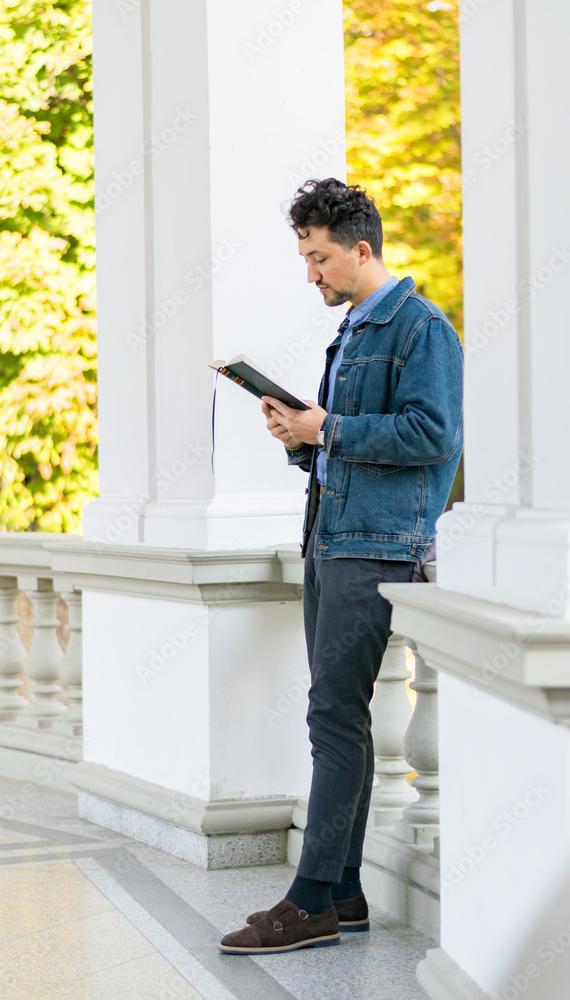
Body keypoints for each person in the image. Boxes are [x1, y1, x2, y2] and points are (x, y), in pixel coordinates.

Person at [219, 178, 463, 955]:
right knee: (340, 715)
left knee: (333, 717)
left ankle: (311, 898)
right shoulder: (354, 328)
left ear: (362, 249)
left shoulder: (420, 328)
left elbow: (431, 437)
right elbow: (346, 448)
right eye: (303, 258)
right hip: (331, 537)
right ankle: (348, 892)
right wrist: (301, 438)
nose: (310, 274)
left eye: (319, 258)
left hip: (378, 548)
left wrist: (330, 428)